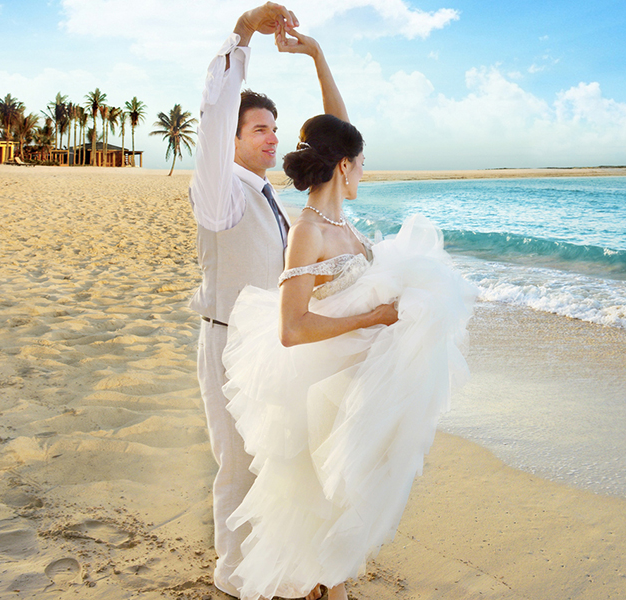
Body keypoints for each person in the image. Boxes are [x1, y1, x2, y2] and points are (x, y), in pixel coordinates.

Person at [220, 115, 476, 599]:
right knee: (325, 493)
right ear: (343, 166)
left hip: (358, 380)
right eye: (361, 164)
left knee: (348, 493)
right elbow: (291, 328)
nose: (363, 173)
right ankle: (330, 589)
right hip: (321, 381)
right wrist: (375, 318)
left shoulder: (350, 228)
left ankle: (328, 585)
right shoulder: (308, 232)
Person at [187, 3, 349, 596]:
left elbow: (342, 148)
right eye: (258, 128)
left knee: (281, 459)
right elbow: (211, 116)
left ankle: (280, 567)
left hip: (278, 343)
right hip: (228, 339)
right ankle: (235, 578)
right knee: (236, 462)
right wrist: (245, 30)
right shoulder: (218, 192)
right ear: (230, 138)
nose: (272, 137)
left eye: (273, 129)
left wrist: (315, 57)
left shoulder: (274, 196)